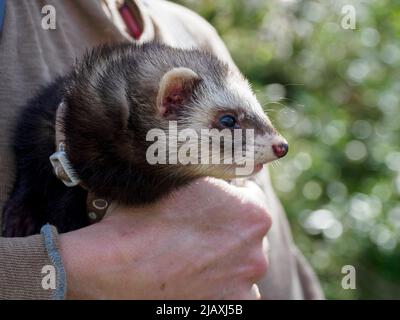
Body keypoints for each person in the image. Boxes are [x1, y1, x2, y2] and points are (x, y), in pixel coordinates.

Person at [0, 0, 323, 299]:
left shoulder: (194, 37)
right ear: (171, 101)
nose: (278, 146)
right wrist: (65, 270)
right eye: (227, 121)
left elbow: (281, 279)